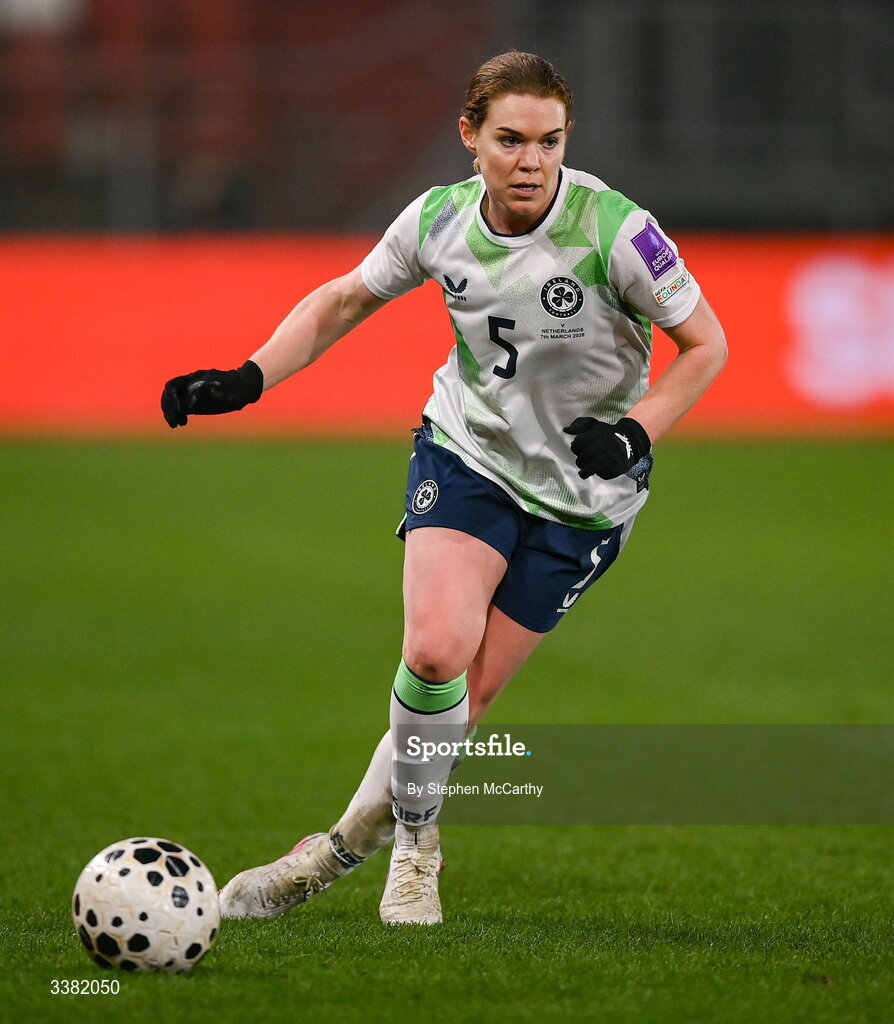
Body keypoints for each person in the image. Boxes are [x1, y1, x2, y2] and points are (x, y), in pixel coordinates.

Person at [161, 51, 727, 925]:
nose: (531, 161)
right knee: (434, 652)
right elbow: (344, 300)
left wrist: (635, 432)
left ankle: (333, 851)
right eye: (509, 139)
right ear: (471, 138)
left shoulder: (615, 229)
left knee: (464, 705)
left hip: (584, 498)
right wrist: (248, 377)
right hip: (470, 453)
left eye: (549, 140)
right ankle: (418, 851)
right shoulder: (438, 221)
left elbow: (707, 345)